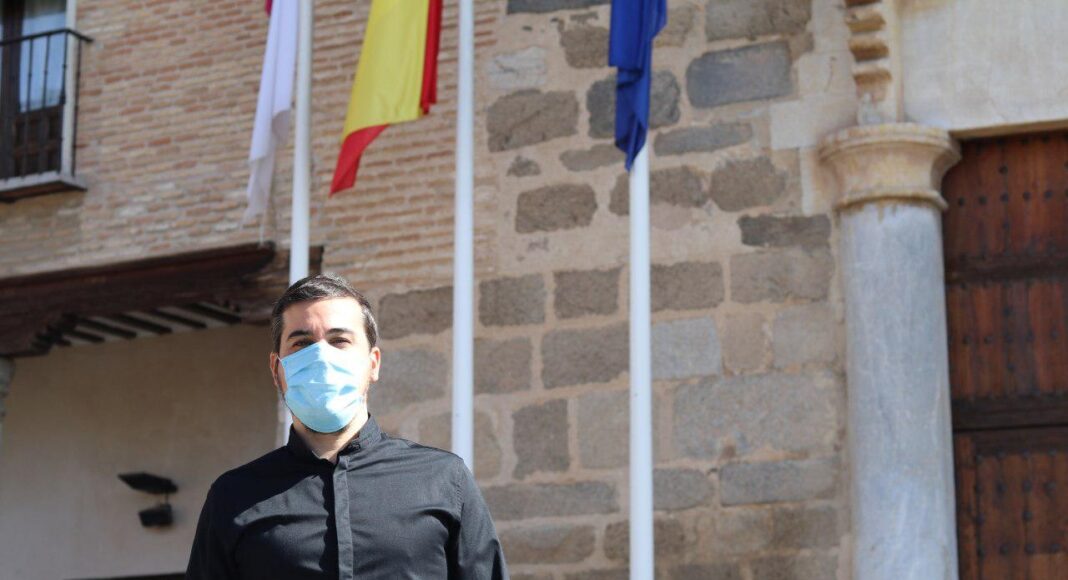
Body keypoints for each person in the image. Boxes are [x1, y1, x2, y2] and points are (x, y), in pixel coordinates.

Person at [186, 273, 508, 579]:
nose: (321, 357)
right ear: (276, 368)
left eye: (339, 340)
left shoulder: (443, 480)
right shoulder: (233, 496)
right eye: (301, 343)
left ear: (373, 363)